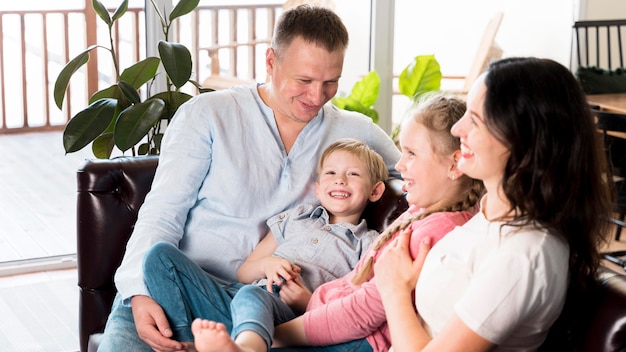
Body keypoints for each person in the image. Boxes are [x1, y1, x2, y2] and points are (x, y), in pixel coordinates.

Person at [97, 5, 401, 352]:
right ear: (271, 61)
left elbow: (420, 175)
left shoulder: (355, 130)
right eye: (304, 80)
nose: (317, 97)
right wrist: (139, 293)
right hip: (180, 290)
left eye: (330, 82)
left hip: (271, 309)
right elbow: (163, 210)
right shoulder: (208, 114)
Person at [190, 93, 485, 352]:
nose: (399, 165)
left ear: (454, 164)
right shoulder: (419, 213)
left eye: (410, 153)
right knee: (168, 264)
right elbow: (354, 284)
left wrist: (271, 337)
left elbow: (364, 311)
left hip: (346, 339)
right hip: (312, 316)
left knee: (249, 303)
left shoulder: (435, 232)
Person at [374, 57, 614, 351]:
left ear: (522, 141)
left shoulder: (524, 254)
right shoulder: (490, 211)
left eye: (474, 120)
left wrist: (394, 290)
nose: (457, 129)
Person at [143, 138, 387, 350]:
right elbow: (244, 272)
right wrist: (267, 265)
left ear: (375, 191)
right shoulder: (297, 216)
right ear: (318, 189)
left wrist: (308, 302)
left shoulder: (369, 244)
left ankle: (247, 348)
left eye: (353, 174)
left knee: (252, 294)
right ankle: (190, 343)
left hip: (287, 314)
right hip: (238, 299)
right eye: (331, 173)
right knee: (159, 255)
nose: (340, 181)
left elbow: (355, 305)